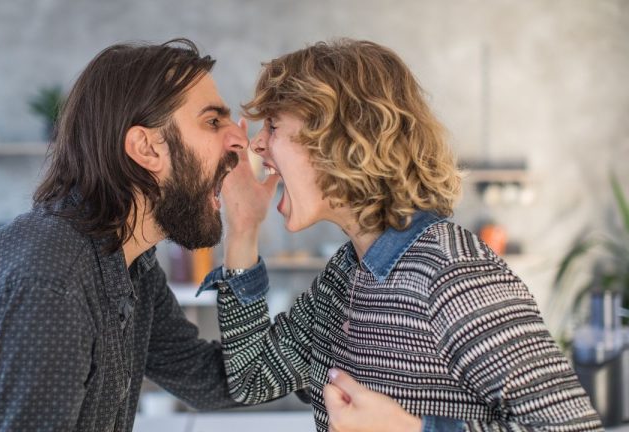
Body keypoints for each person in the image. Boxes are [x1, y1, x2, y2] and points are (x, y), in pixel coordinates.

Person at [199, 39, 603, 431]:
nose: (256, 145)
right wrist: (244, 228)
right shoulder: (345, 274)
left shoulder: (454, 274)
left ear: (342, 139)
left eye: (272, 125)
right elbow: (251, 376)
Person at [0, 39, 250, 431]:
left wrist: (246, 230)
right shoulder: (51, 280)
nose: (240, 138)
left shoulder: (130, 260)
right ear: (146, 148)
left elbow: (214, 379)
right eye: (213, 121)